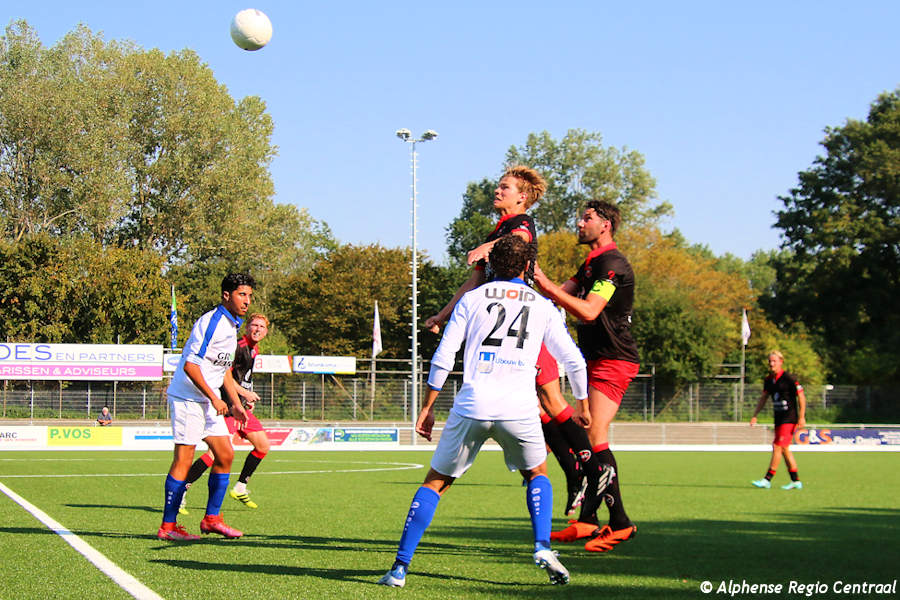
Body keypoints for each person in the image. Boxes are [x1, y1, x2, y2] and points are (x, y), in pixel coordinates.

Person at [378, 235, 588, 588]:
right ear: (528, 266)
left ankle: (399, 568)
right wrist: (582, 404)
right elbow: (574, 360)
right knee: (537, 474)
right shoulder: (543, 306)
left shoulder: (472, 299)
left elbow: (444, 355)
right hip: (519, 408)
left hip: (473, 404)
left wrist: (428, 407)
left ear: (491, 265)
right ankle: (542, 546)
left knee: (436, 482)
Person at [425, 165, 604, 517]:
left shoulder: (521, 223)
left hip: (522, 322)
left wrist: (487, 245)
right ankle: (572, 473)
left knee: (551, 400)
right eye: (498, 186)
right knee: (537, 407)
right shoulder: (498, 230)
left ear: (522, 196)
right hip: (502, 321)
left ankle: (588, 470)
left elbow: (519, 239)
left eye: (504, 187)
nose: (497, 190)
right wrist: (442, 315)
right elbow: (472, 285)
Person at [532, 200, 640, 553]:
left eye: (587, 218)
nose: (579, 223)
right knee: (583, 431)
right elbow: (556, 297)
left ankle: (620, 523)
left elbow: (590, 311)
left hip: (614, 360)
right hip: (595, 358)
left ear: (605, 225)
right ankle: (588, 521)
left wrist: (546, 284)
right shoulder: (591, 263)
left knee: (593, 435)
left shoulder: (612, 264)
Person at [157, 273, 253, 541]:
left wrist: (235, 403)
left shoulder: (232, 326)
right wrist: (214, 398)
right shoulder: (212, 322)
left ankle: (212, 519)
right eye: (241, 294)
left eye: (249, 295)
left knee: (225, 454)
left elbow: (222, 370)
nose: (247, 301)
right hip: (188, 398)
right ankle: (168, 527)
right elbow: (191, 365)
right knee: (184, 459)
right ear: (226, 295)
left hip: (208, 400)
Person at [181, 314, 271, 513]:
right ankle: (182, 489)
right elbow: (224, 375)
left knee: (263, 446)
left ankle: (240, 488)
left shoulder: (253, 349)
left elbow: (242, 378)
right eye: (254, 325)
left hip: (240, 407)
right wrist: (243, 394)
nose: (257, 329)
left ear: (266, 332)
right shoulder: (238, 346)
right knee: (215, 454)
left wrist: (246, 400)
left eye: (262, 327)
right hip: (228, 409)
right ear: (247, 328)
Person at [749, 351, 807, 490]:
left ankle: (767, 479)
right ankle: (795, 480)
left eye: (774, 361)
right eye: (770, 361)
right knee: (785, 449)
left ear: (781, 362)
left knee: (777, 446)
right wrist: (755, 414)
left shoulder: (789, 378)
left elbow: (801, 396)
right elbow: (764, 398)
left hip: (789, 418)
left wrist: (802, 416)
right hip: (779, 418)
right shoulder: (769, 380)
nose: (771, 363)